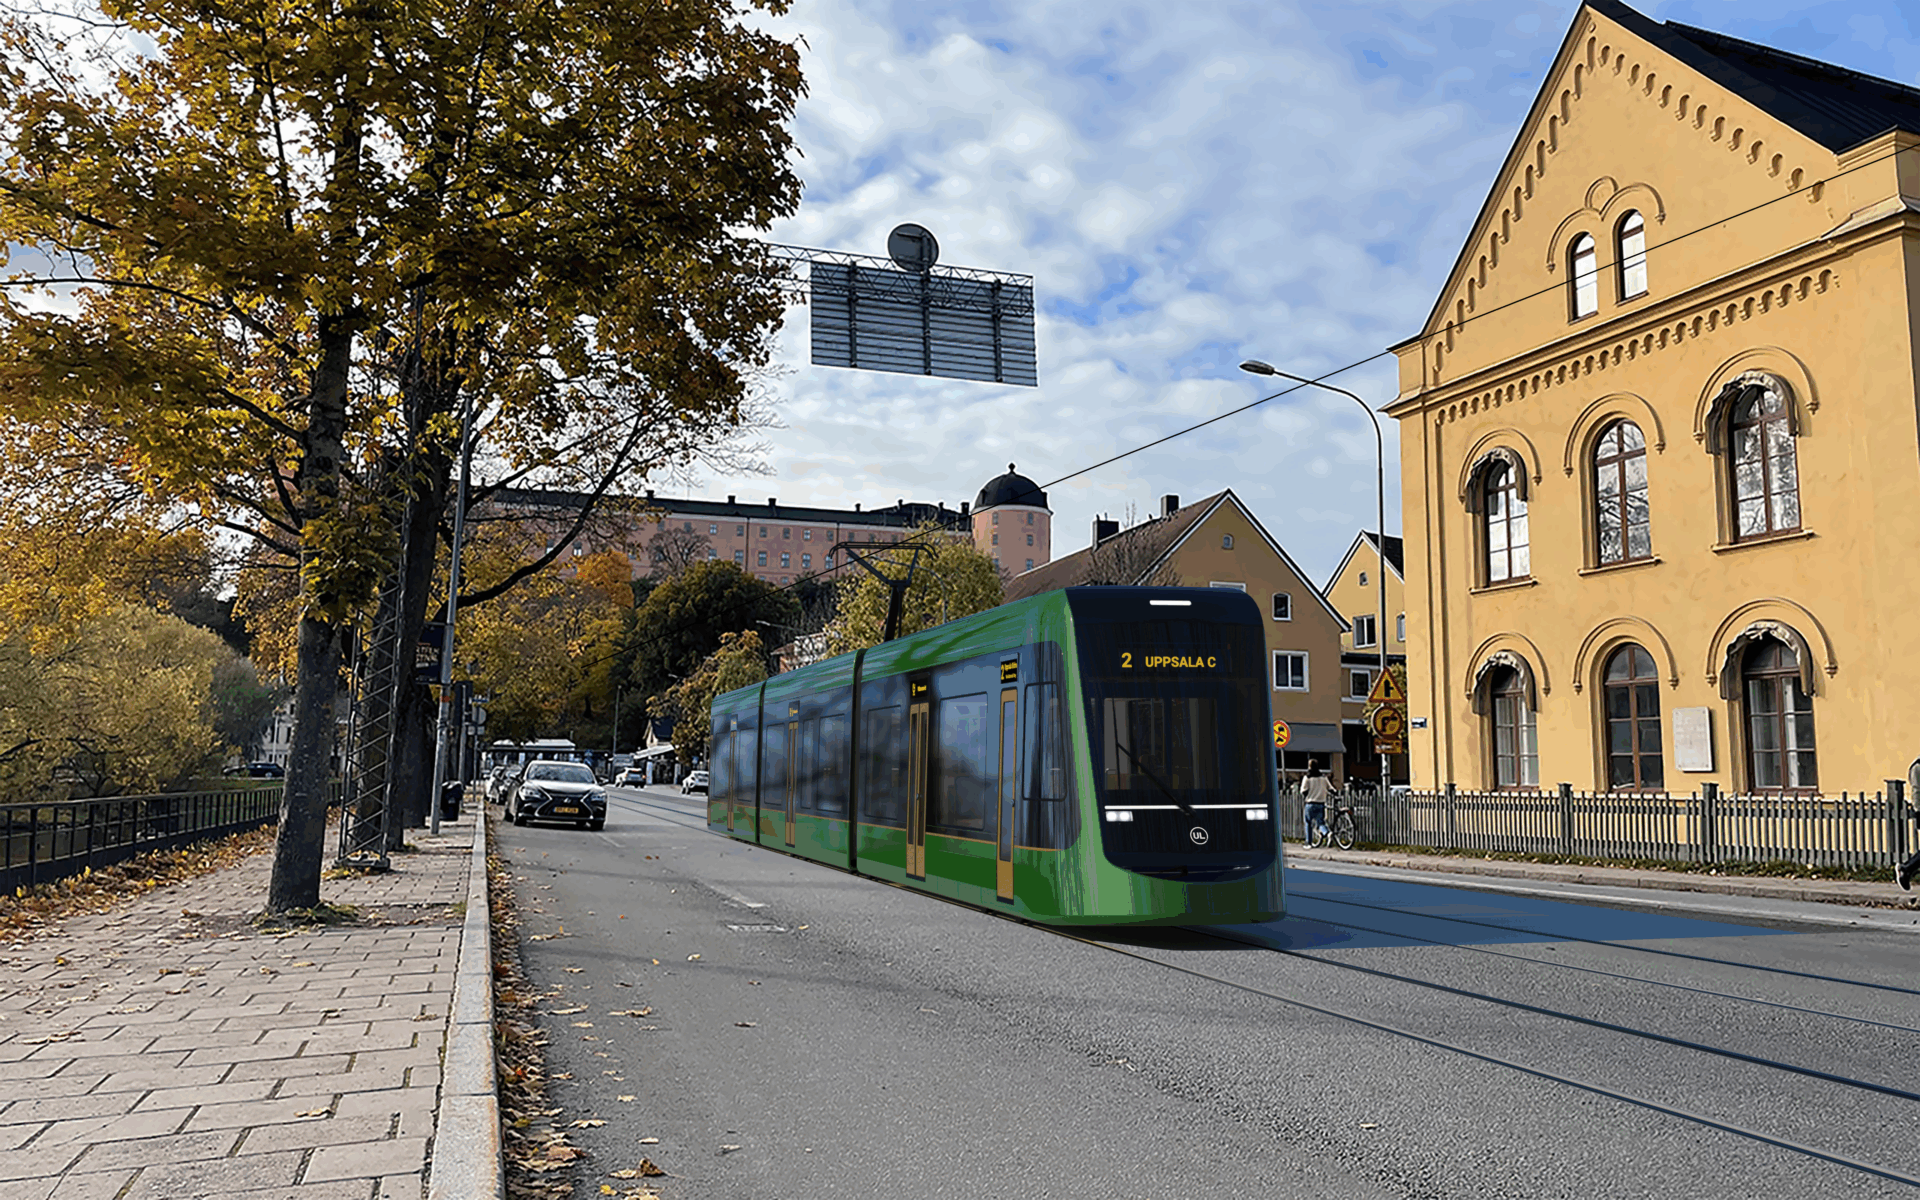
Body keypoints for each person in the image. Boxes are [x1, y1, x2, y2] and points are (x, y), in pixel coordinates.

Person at [1299, 760, 1331, 849]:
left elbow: (1303, 791)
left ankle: (1308, 843)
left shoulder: (1307, 777)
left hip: (1310, 803)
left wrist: (1307, 795)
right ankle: (1327, 833)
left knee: (1308, 822)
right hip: (1321, 803)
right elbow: (1330, 788)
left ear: (1309, 767)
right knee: (1320, 822)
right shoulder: (1323, 777)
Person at [1898, 757, 1920, 891]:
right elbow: (1916, 791)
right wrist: (1918, 811)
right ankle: (1906, 868)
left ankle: (1907, 869)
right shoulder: (1917, 768)